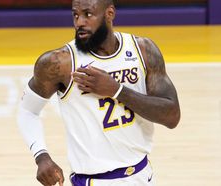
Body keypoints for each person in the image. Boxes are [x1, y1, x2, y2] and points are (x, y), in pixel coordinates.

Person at [17, 0, 180, 185]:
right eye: (75, 15)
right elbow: (28, 111)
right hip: (93, 180)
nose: (79, 22)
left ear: (109, 14)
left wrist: (116, 90)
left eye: (88, 14)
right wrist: (41, 155)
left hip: (143, 175)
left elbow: (172, 116)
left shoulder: (143, 50)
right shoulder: (59, 63)